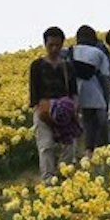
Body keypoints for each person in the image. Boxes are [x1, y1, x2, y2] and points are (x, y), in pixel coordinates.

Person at [26, 27, 83, 181]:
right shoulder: (37, 65)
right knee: (46, 146)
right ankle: (48, 180)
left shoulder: (67, 66)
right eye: (51, 45)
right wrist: (40, 111)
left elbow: (73, 91)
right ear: (45, 44)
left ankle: (64, 176)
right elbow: (34, 92)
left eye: (57, 45)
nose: (54, 48)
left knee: (69, 146)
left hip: (65, 111)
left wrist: (74, 110)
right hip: (44, 110)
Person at [69, 25, 110, 149]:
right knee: (102, 122)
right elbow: (106, 75)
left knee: (87, 123)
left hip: (77, 93)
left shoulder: (71, 51)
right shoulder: (99, 52)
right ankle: (103, 149)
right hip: (96, 92)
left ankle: (88, 151)